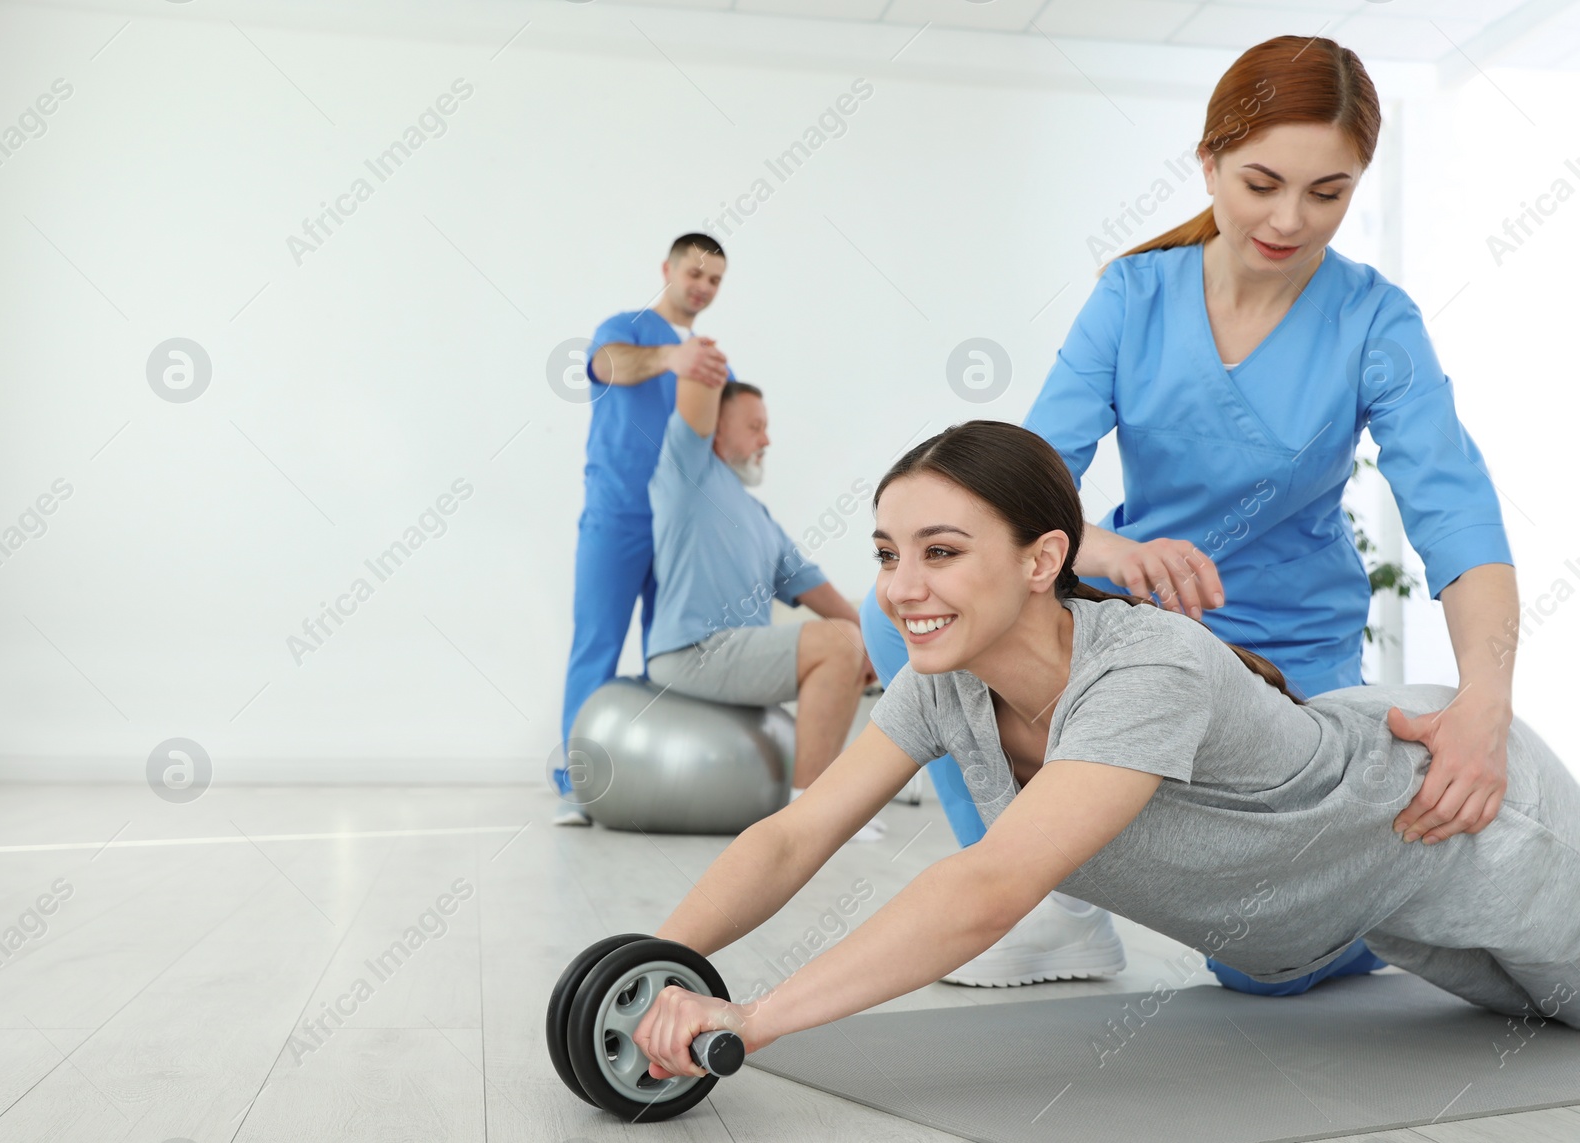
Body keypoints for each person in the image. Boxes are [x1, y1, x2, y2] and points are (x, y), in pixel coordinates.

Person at [858, 34, 1518, 993]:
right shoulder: (1133, 296)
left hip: (1289, 650)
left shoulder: (1376, 320)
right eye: (1261, 182)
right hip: (1133, 626)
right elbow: (1019, 491)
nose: (1290, 219)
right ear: (1209, 161)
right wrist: (1112, 550)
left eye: (1328, 193)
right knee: (906, 607)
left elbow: (1457, 514)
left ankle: (1394, 896)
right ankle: (1053, 900)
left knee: (1264, 971)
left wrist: (1485, 702)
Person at [631, 422, 1576, 1083]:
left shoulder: (1143, 670)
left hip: (1461, 822)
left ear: (1041, 561)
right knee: (1531, 1025)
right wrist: (649, 962)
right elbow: (799, 835)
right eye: (886, 553)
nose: (900, 587)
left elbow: (988, 888)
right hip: (1365, 905)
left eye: (942, 551)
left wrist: (752, 1022)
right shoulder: (944, 685)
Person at [644, 368, 885, 841]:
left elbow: (815, 588)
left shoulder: (758, 518)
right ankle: (810, 815)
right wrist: (697, 356)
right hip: (691, 650)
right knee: (839, 644)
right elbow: (693, 404)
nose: (766, 438)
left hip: (734, 651)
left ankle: (826, 802)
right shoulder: (687, 473)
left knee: (850, 638)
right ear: (715, 430)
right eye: (754, 426)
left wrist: (876, 645)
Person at [557, 233, 735, 825]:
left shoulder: (711, 356)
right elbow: (606, 365)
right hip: (618, 512)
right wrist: (670, 358)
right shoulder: (626, 328)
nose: (702, 287)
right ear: (667, 269)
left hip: (681, 524)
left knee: (674, 653)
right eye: (694, 273)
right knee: (598, 642)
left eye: (714, 280)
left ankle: (667, 774)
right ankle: (579, 786)